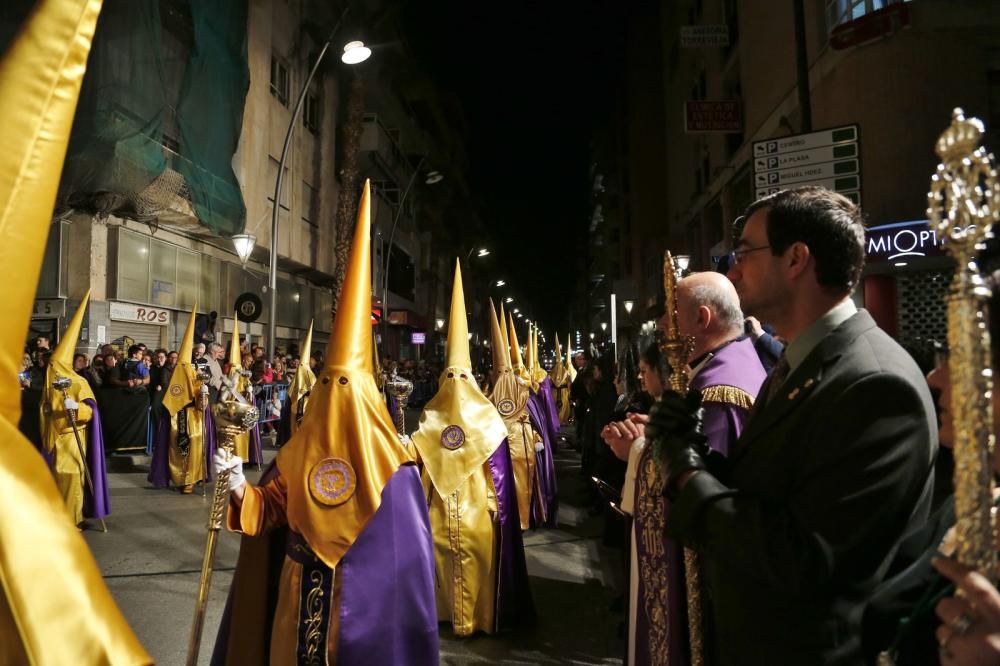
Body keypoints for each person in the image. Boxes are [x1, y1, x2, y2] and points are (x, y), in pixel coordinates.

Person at [648, 186, 938, 664]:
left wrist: (687, 474)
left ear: (796, 258)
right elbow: (773, 490)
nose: (733, 270)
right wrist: (701, 454)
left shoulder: (875, 383)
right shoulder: (799, 362)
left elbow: (805, 558)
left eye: (744, 252)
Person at [211, 181, 437, 665]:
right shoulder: (298, 452)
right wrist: (237, 487)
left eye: (346, 388)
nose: (334, 401)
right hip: (296, 601)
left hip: (364, 618)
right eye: (327, 386)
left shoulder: (398, 470)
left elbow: (407, 564)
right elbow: (268, 512)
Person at [604, 271, 766, 666]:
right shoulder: (726, 365)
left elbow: (699, 488)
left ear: (702, 319)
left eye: (673, 311)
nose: (662, 323)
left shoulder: (718, 390)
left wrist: (637, 452)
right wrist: (653, 436)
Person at [411, 261, 533, 636]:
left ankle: (480, 616)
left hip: (480, 509)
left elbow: (499, 477)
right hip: (437, 511)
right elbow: (414, 467)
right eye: (452, 376)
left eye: (462, 376)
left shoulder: (488, 421)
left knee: (478, 552)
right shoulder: (429, 419)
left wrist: (498, 508)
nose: (457, 383)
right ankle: (444, 614)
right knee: (436, 553)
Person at [39, 291, 110, 527]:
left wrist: (77, 407)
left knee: (71, 477)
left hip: (72, 438)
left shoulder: (79, 382)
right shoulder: (47, 385)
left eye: (55, 365)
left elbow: (92, 411)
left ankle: (72, 520)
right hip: (51, 439)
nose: (52, 369)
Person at [148, 307, 216, 494]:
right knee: (179, 443)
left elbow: (203, 406)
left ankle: (193, 477)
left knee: (196, 441)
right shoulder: (175, 378)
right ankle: (179, 477)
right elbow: (171, 401)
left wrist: (203, 393)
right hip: (178, 417)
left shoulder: (197, 376)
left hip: (195, 418)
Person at [488, 301, 541, 531]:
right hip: (503, 443)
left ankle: (521, 518)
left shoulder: (518, 389)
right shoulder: (488, 395)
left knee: (518, 481)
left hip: (519, 441)